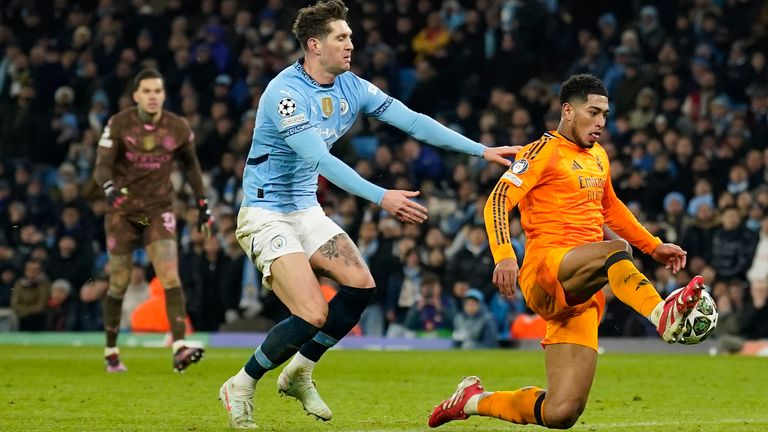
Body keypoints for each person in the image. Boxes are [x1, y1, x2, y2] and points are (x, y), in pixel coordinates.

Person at [217, 0, 519, 428]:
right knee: (312, 313)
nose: (350, 44)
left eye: (351, 36)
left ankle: (300, 370)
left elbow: (412, 122)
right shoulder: (284, 94)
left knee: (361, 285)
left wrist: (481, 149)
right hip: (266, 214)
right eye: (341, 37)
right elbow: (320, 159)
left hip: (305, 209)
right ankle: (242, 383)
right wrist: (382, 197)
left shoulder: (352, 87)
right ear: (314, 45)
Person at [428, 74, 706, 429]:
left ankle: (472, 400)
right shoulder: (541, 151)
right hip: (546, 270)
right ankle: (660, 313)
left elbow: (612, 208)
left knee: (561, 412)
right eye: (593, 112)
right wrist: (504, 255)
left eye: (605, 114)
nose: (601, 122)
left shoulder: (599, 157)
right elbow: (497, 200)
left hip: (582, 293)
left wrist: (653, 246)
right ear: (568, 111)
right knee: (615, 250)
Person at [93, 69, 212, 373]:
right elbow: (102, 166)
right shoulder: (119, 123)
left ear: (163, 94)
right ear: (136, 96)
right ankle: (111, 350)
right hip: (123, 212)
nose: (153, 96)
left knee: (170, 276)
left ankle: (180, 347)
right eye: (146, 91)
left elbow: (191, 166)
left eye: (157, 91)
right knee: (118, 281)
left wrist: (202, 202)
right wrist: (108, 189)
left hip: (158, 211)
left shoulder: (177, 127)